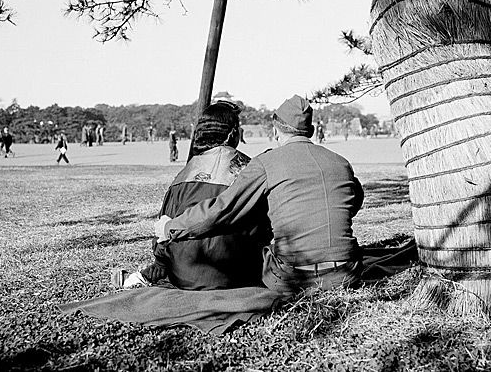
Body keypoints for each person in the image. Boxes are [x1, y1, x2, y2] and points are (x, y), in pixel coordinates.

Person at [156, 95, 364, 294]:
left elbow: (221, 209)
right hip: (349, 272)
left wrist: (170, 227)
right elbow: (353, 200)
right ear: (310, 130)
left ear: (276, 130)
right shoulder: (340, 162)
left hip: (291, 277)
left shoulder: (266, 163)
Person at [114, 101, 271, 290]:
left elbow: (163, 230)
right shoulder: (249, 168)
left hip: (183, 273)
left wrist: (161, 266)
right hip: (233, 273)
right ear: (232, 133)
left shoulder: (185, 174)